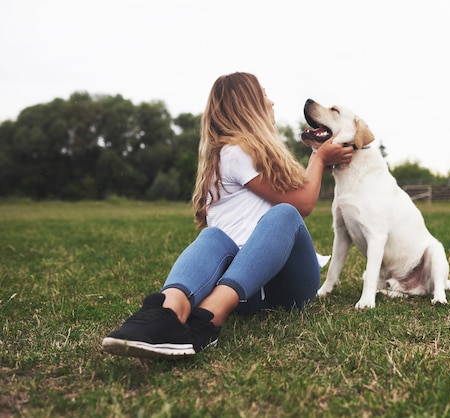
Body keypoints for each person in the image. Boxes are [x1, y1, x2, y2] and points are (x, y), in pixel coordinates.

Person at [102, 72, 353, 359]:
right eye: (264, 95)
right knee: (280, 215)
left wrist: (316, 155)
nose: (272, 102)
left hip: (251, 289)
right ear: (250, 107)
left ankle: (168, 312)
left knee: (221, 233)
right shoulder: (237, 152)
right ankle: (194, 318)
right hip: (277, 290)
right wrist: (319, 158)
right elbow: (304, 204)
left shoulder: (224, 154)